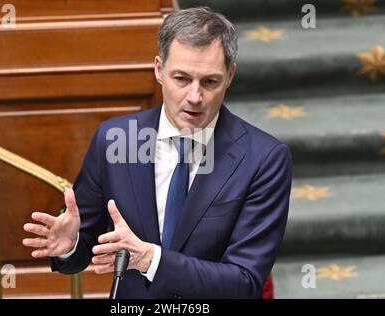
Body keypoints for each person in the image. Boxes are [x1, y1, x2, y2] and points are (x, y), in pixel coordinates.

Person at [23, 7, 292, 299]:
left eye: (210, 82)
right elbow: (85, 248)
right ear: (158, 69)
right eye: (181, 79)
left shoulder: (264, 158)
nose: (194, 97)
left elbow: (245, 283)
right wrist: (71, 245)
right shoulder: (115, 140)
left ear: (230, 76)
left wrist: (152, 260)